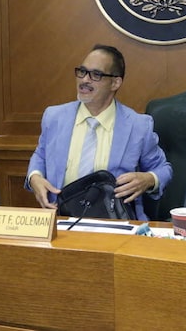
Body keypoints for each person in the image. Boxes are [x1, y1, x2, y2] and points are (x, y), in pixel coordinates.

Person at [25, 44, 173, 220]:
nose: (84, 80)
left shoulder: (138, 126)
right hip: (60, 219)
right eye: (82, 71)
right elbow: (41, 155)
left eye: (96, 75)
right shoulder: (54, 117)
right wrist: (35, 177)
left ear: (115, 82)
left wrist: (149, 179)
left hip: (114, 222)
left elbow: (163, 169)